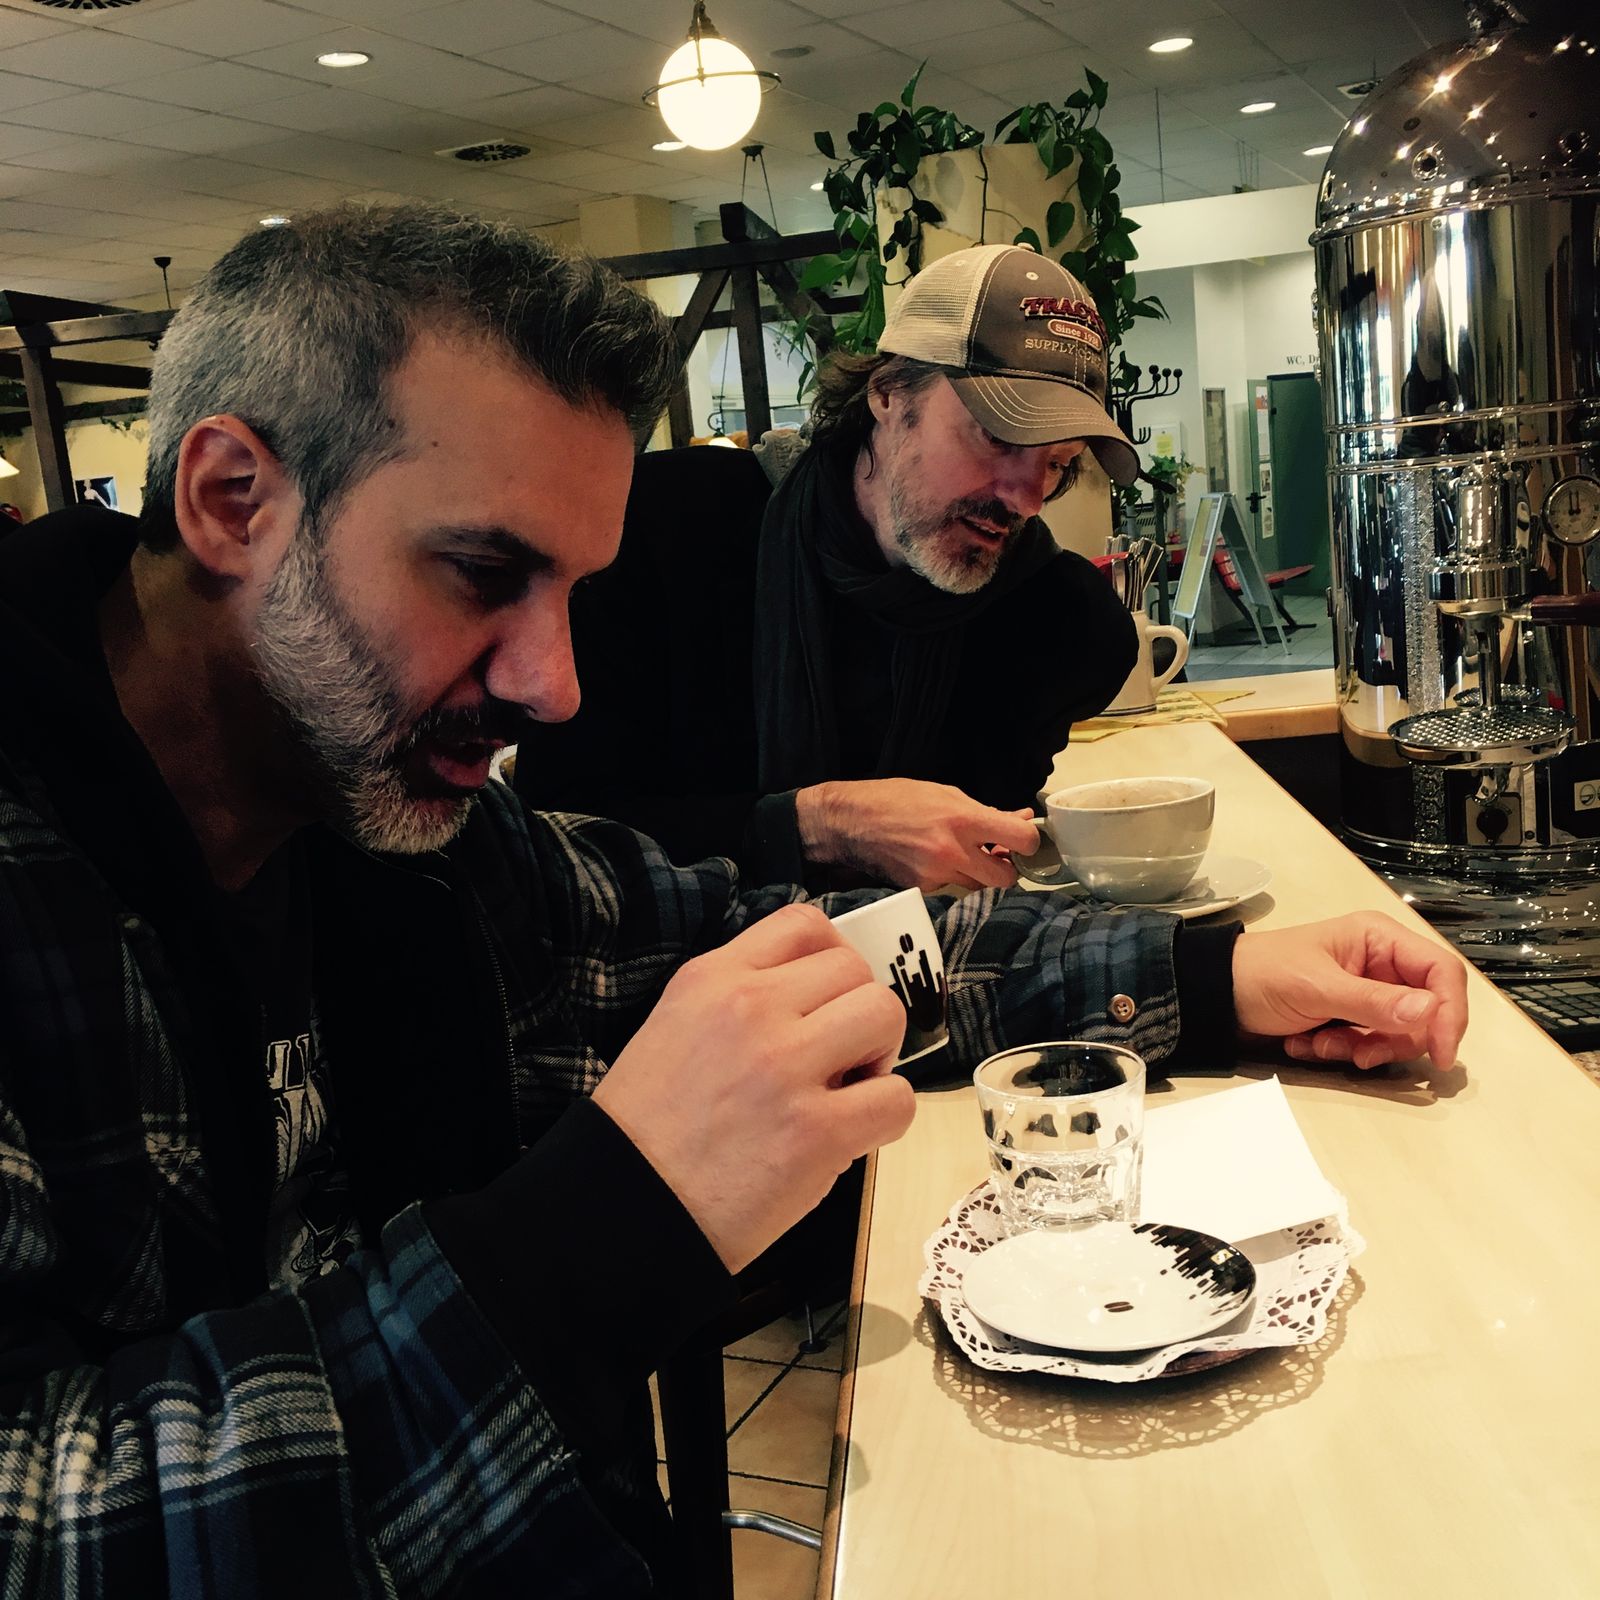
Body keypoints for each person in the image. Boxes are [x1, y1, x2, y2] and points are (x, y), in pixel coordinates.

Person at [0, 205, 1467, 1599]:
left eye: (570, 592)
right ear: (231, 499)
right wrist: (598, 1232)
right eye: (483, 572)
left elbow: (779, 945)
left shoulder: (392, 829)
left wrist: (1210, 976)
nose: (554, 686)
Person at [515, 244, 1140, 894]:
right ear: (888, 393)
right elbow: (557, 843)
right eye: (999, 437)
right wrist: (818, 824)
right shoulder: (663, 531)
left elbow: (978, 865)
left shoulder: (1058, 622)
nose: (1028, 498)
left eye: (1058, 462)